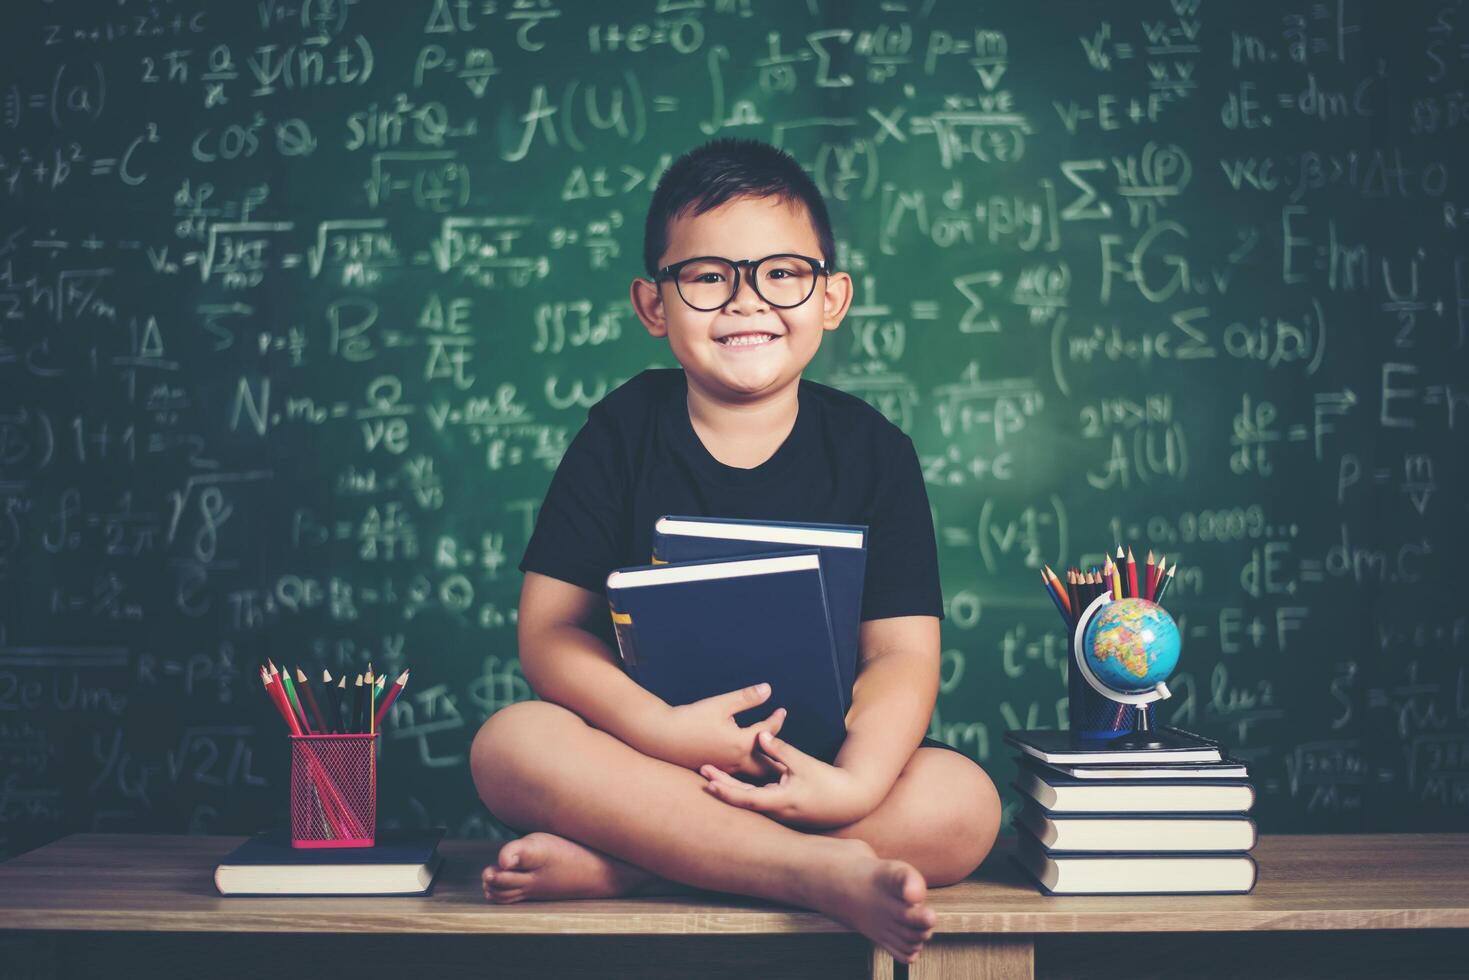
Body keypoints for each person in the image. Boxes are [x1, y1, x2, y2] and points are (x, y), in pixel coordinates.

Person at [469, 137, 1000, 965]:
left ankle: (633, 868)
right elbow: (547, 633)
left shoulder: (873, 451)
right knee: (510, 743)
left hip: (814, 777)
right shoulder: (620, 433)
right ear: (654, 304)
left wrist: (854, 783)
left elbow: (901, 654)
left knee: (965, 802)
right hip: (646, 765)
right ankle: (811, 874)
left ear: (831, 297)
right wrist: (663, 731)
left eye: (782, 273)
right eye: (708, 276)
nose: (746, 302)